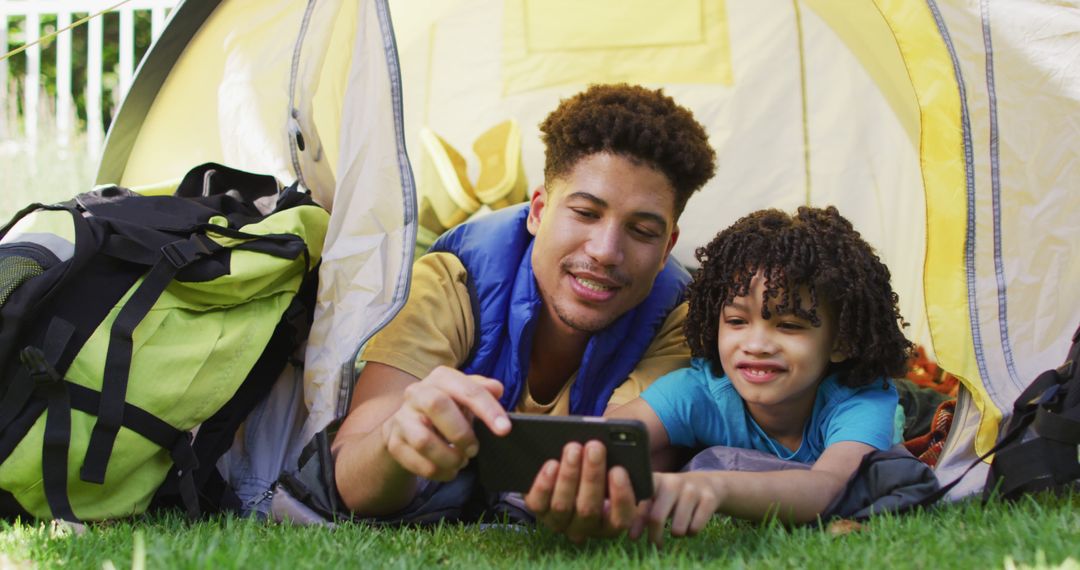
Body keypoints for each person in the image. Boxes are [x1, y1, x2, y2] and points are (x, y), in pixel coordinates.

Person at [331, 84, 717, 529]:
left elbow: (633, 476)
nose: (607, 251)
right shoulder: (449, 281)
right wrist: (395, 443)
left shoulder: (679, 320)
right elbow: (351, 476)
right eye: (586, 213)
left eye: (642, 231)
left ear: (668, 247)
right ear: (537, 211)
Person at [601, 206, 914, 545]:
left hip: (907, 407)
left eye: (789, 325)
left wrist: (713, 485)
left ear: (841, 342)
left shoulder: (861, 400)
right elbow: (608, 437)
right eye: (737, 321)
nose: (757, 344)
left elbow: (830, 487)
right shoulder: (697, 392)